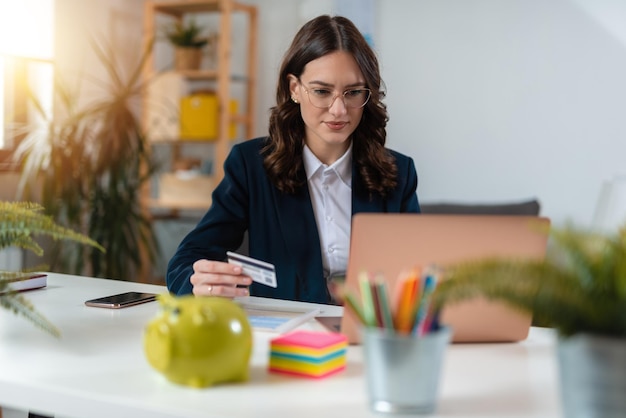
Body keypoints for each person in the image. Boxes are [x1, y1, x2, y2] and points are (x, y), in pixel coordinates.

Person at [166, 14, 420, 304]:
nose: (339, 110)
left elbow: (417, 272)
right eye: (322, 91)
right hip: (287, 333)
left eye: (353, 93)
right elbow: (186, 260)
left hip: (370, 335)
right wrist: (199, 282)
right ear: (295, 89)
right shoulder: (250, 166)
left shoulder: (399, 172)